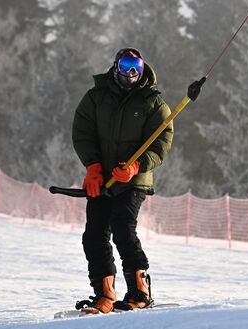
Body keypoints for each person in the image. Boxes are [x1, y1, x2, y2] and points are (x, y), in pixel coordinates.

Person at [72, 48, 173, 314]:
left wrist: (137, 166)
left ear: (142, 70)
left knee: (122, 227)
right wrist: (93, 167)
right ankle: (104, 294)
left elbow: (161, 144)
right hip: (102, 179)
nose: (131, 73)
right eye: (126, 65)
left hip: (133, 180)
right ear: (115, 66)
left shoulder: (154, 103)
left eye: (136, 67)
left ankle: (140, 291)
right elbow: (82, 132)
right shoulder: (96, 98)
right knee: (93, 235)